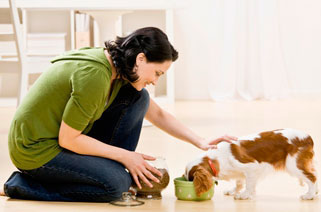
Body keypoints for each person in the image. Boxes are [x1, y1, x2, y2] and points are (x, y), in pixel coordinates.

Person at [0, 27, 237, 202]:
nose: (155, 81)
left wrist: (201, 142)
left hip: (63, 138)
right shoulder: (95, 75)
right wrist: (125, 156)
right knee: (115, 186)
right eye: (157, 73)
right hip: (36, 150)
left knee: (139, 98)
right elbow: (68, 139)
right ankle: (20, 185)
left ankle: (111, 169)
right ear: (141, 58)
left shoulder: (118, 67)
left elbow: (158, 115)